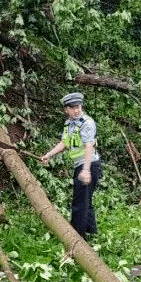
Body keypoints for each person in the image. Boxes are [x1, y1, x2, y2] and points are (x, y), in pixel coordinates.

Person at [41, 92, 103, 239]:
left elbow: (89, 146)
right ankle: (89, 232)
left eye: (78, 106)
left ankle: (77, 236)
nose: (76, 110)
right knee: (85, 199)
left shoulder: (86, 123)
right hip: (80, 166)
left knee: (79, 202)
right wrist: (49, 155)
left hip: (89, 165)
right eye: (72, 108)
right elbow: (64, 143)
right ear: (66, 110)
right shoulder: (70, 123)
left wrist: (86, 170)